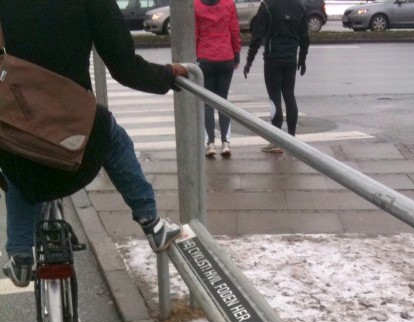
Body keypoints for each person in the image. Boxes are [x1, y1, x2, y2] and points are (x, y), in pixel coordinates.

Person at [0, 0, 189, 289]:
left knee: (16, 148)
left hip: (19, 128)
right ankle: (153, 225)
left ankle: (21, 256)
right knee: (112, 137)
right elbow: (125, 69)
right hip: (77, 135)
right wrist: (167, 76)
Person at [243, 0, 309, 155]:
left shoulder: (267, 5)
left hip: (273, 59)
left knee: (274, 98)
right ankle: (292, 138)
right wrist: (302, 58)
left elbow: (257, 36)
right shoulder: (299, 6)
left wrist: (249, 61)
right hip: (291, 59)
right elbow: (305, 37)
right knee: (289, 96)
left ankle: (276, 141)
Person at [194, 0, 241, 159]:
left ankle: (210, 144)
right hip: (226, 56)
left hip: (205, 58)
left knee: (207, 103)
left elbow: (195, 34)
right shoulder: (229, 4)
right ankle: (226, 143)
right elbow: (234, 30)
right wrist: (236, 54)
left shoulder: (196, 6)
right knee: (223, 101)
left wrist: (196, 55)